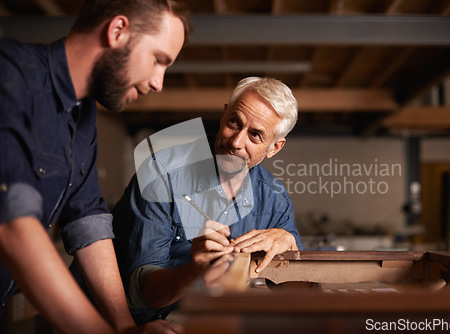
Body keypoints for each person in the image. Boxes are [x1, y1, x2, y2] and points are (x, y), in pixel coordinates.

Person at [0, 0, 191, 333]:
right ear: (117, 31)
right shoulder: (10, 73)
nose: (159, 82)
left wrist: (125, 327)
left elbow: (87, 221)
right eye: (158, 60)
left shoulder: (83, 115)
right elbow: (12, 225)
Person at [108, 77, 303, 323]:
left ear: (274, 148)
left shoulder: (274, 197)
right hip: (117, 320)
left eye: (255, 135)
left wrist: (291, 245)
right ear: (223, 115)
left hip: (198, 319)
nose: (235, 142)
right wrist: (195, 270)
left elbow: (296, 292)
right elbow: (143, 293)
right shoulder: (161, 175)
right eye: (234, 122)